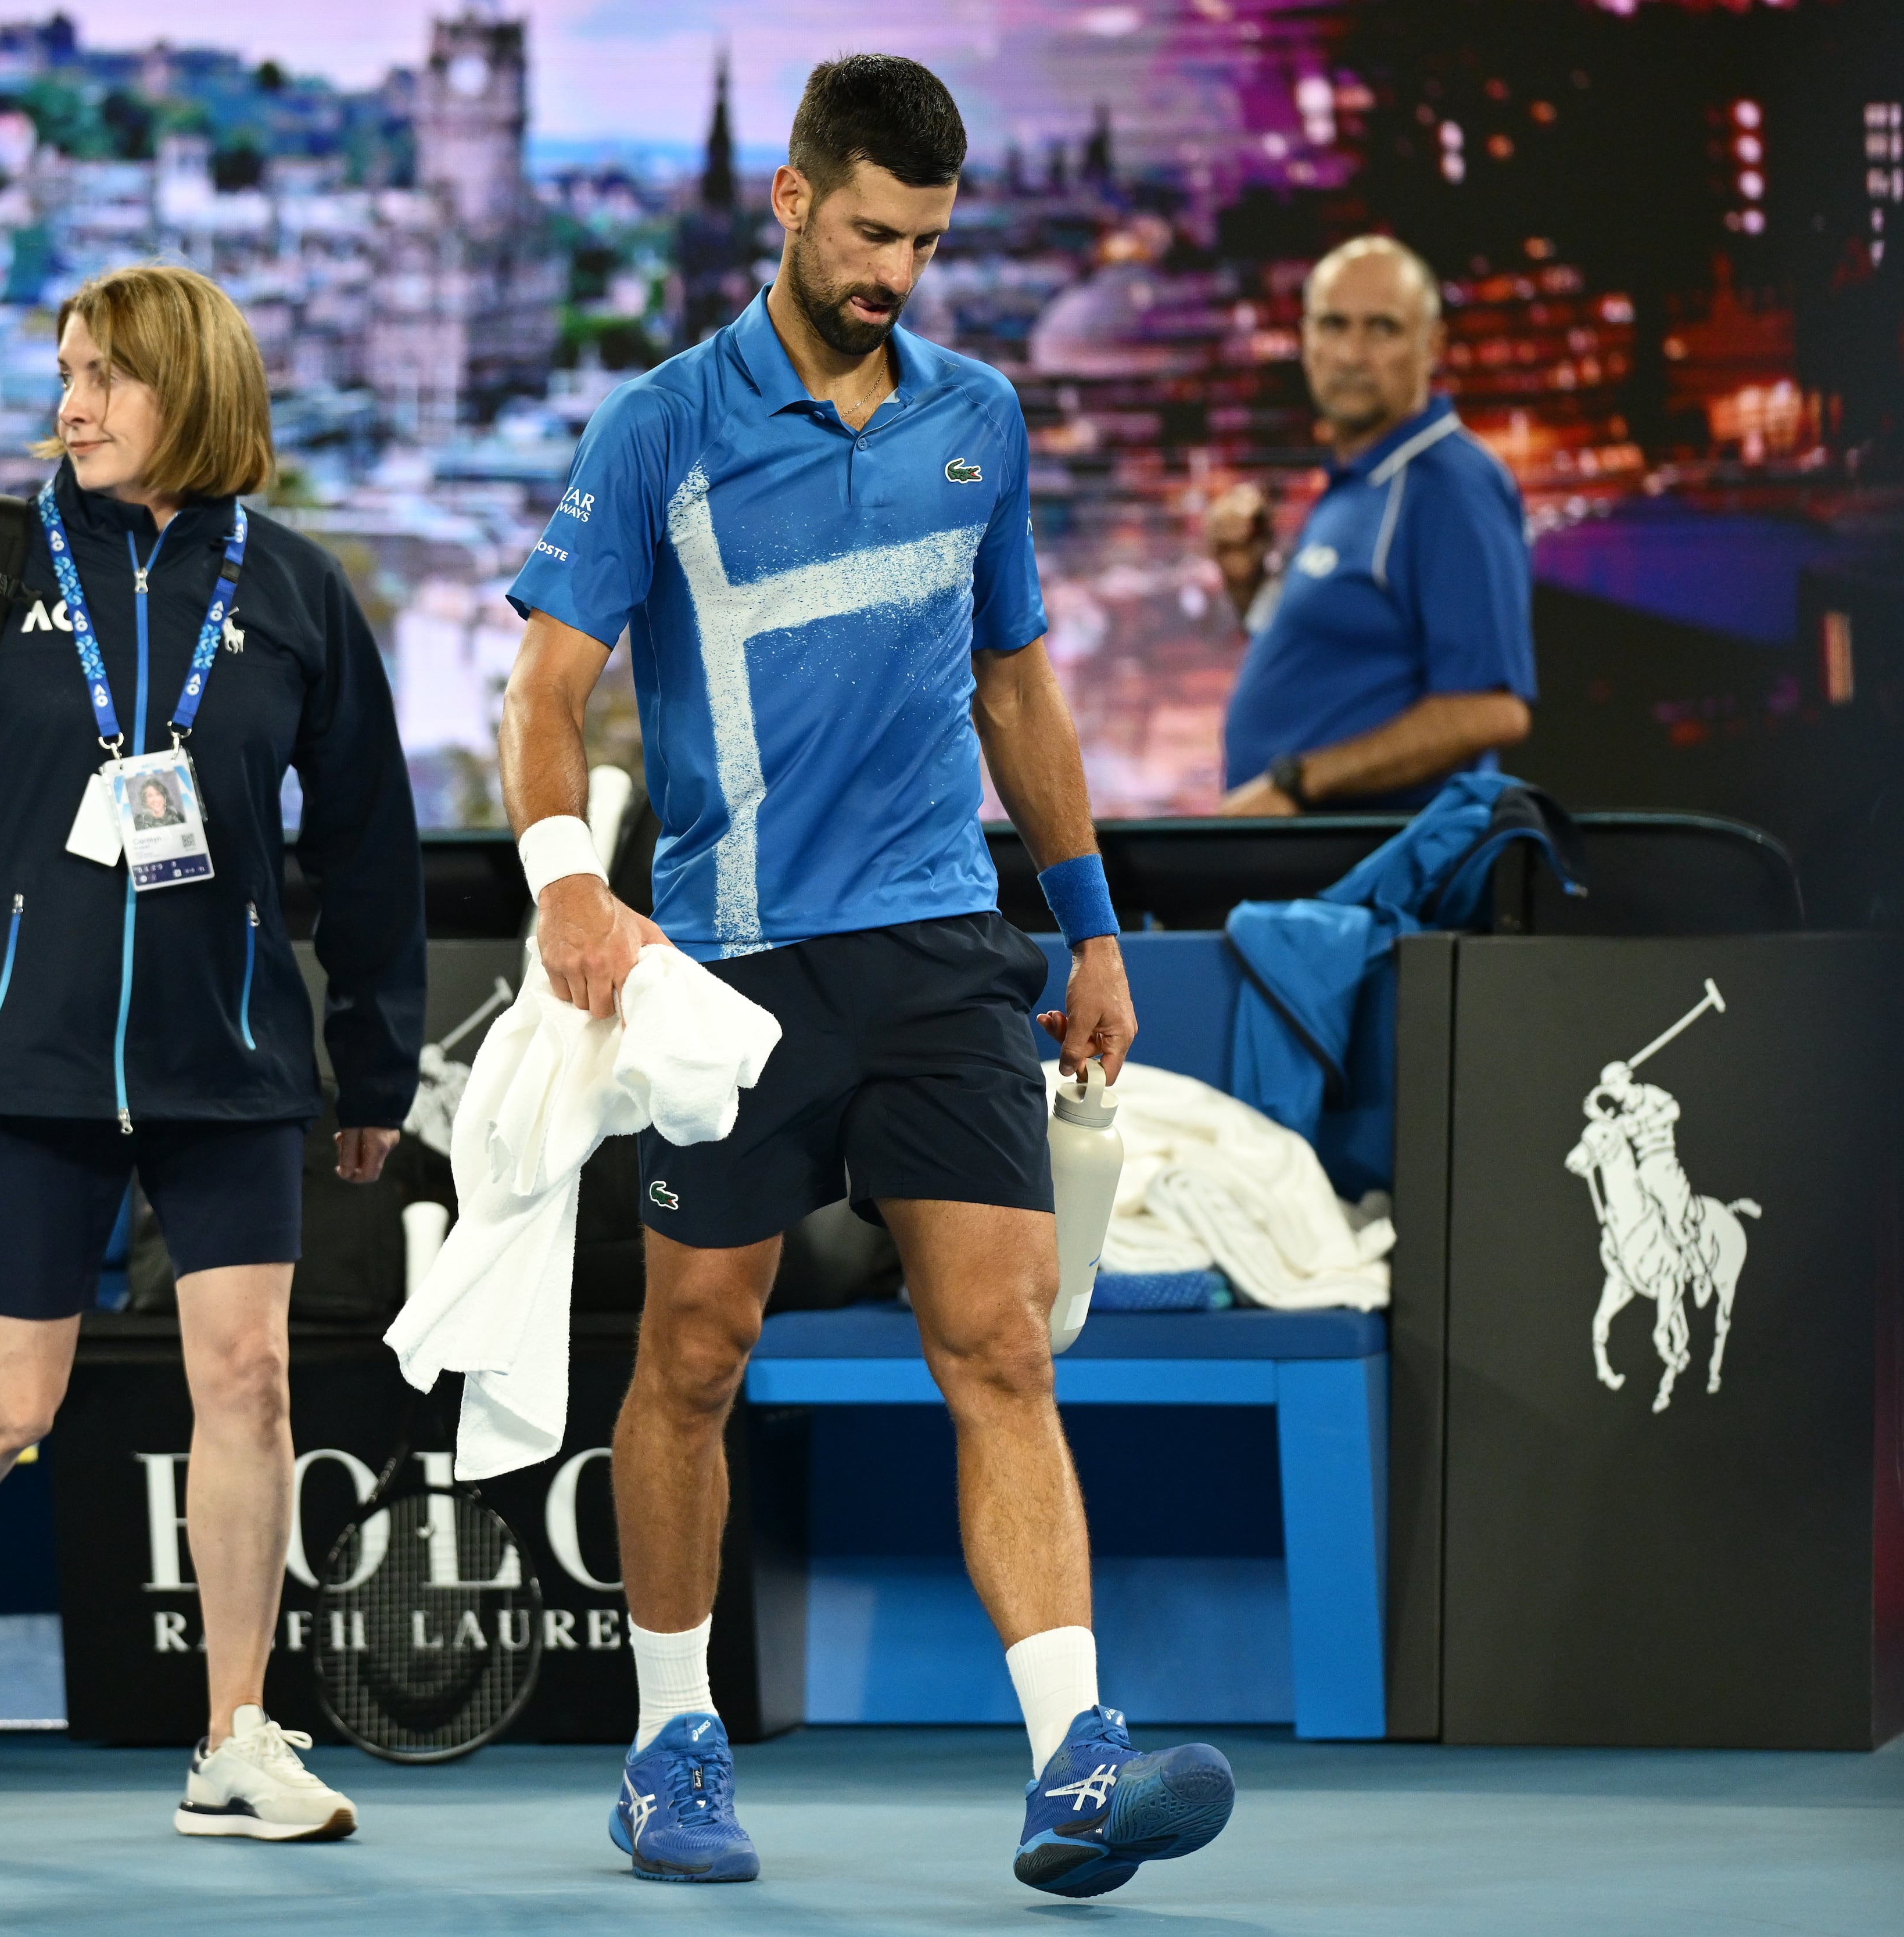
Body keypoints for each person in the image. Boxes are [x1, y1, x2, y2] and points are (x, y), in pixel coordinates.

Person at [499, 55, 1235, 1900]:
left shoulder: (974, 419)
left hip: (935, 949)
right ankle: (671, 1739)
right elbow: (541, 689)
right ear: (791, 199)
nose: (891, 269)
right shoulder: (660, 424)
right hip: (728, 970)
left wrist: (1086, 923)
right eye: (868, 228)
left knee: (995, 1341)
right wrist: (567, 885)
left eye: (922, 238)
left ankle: (1076, 1758)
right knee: (695, 1349)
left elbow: (1019, 692)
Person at [0, 264, 425, 1838]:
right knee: (8, 1404)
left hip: (229, 1059)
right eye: (65, 373)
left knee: (251, 1381)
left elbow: (368, 843)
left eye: (110, 377)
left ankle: (234, 1736)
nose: (75, 405)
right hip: (22, 1050)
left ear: (191, 389)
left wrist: (374, 1056)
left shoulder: (294, 590)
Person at [1207, 235, 1535, 815]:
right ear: (1305, 341)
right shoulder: (1359, 479)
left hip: (1362, 888)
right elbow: (1337, 662)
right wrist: (1247, 586)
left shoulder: (1446, 485)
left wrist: (1295, 782)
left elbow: (1490, 708)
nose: (1351, 353)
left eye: (1380, 328)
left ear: (1430, 345)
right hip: (1307, 883)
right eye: (1332, 325)